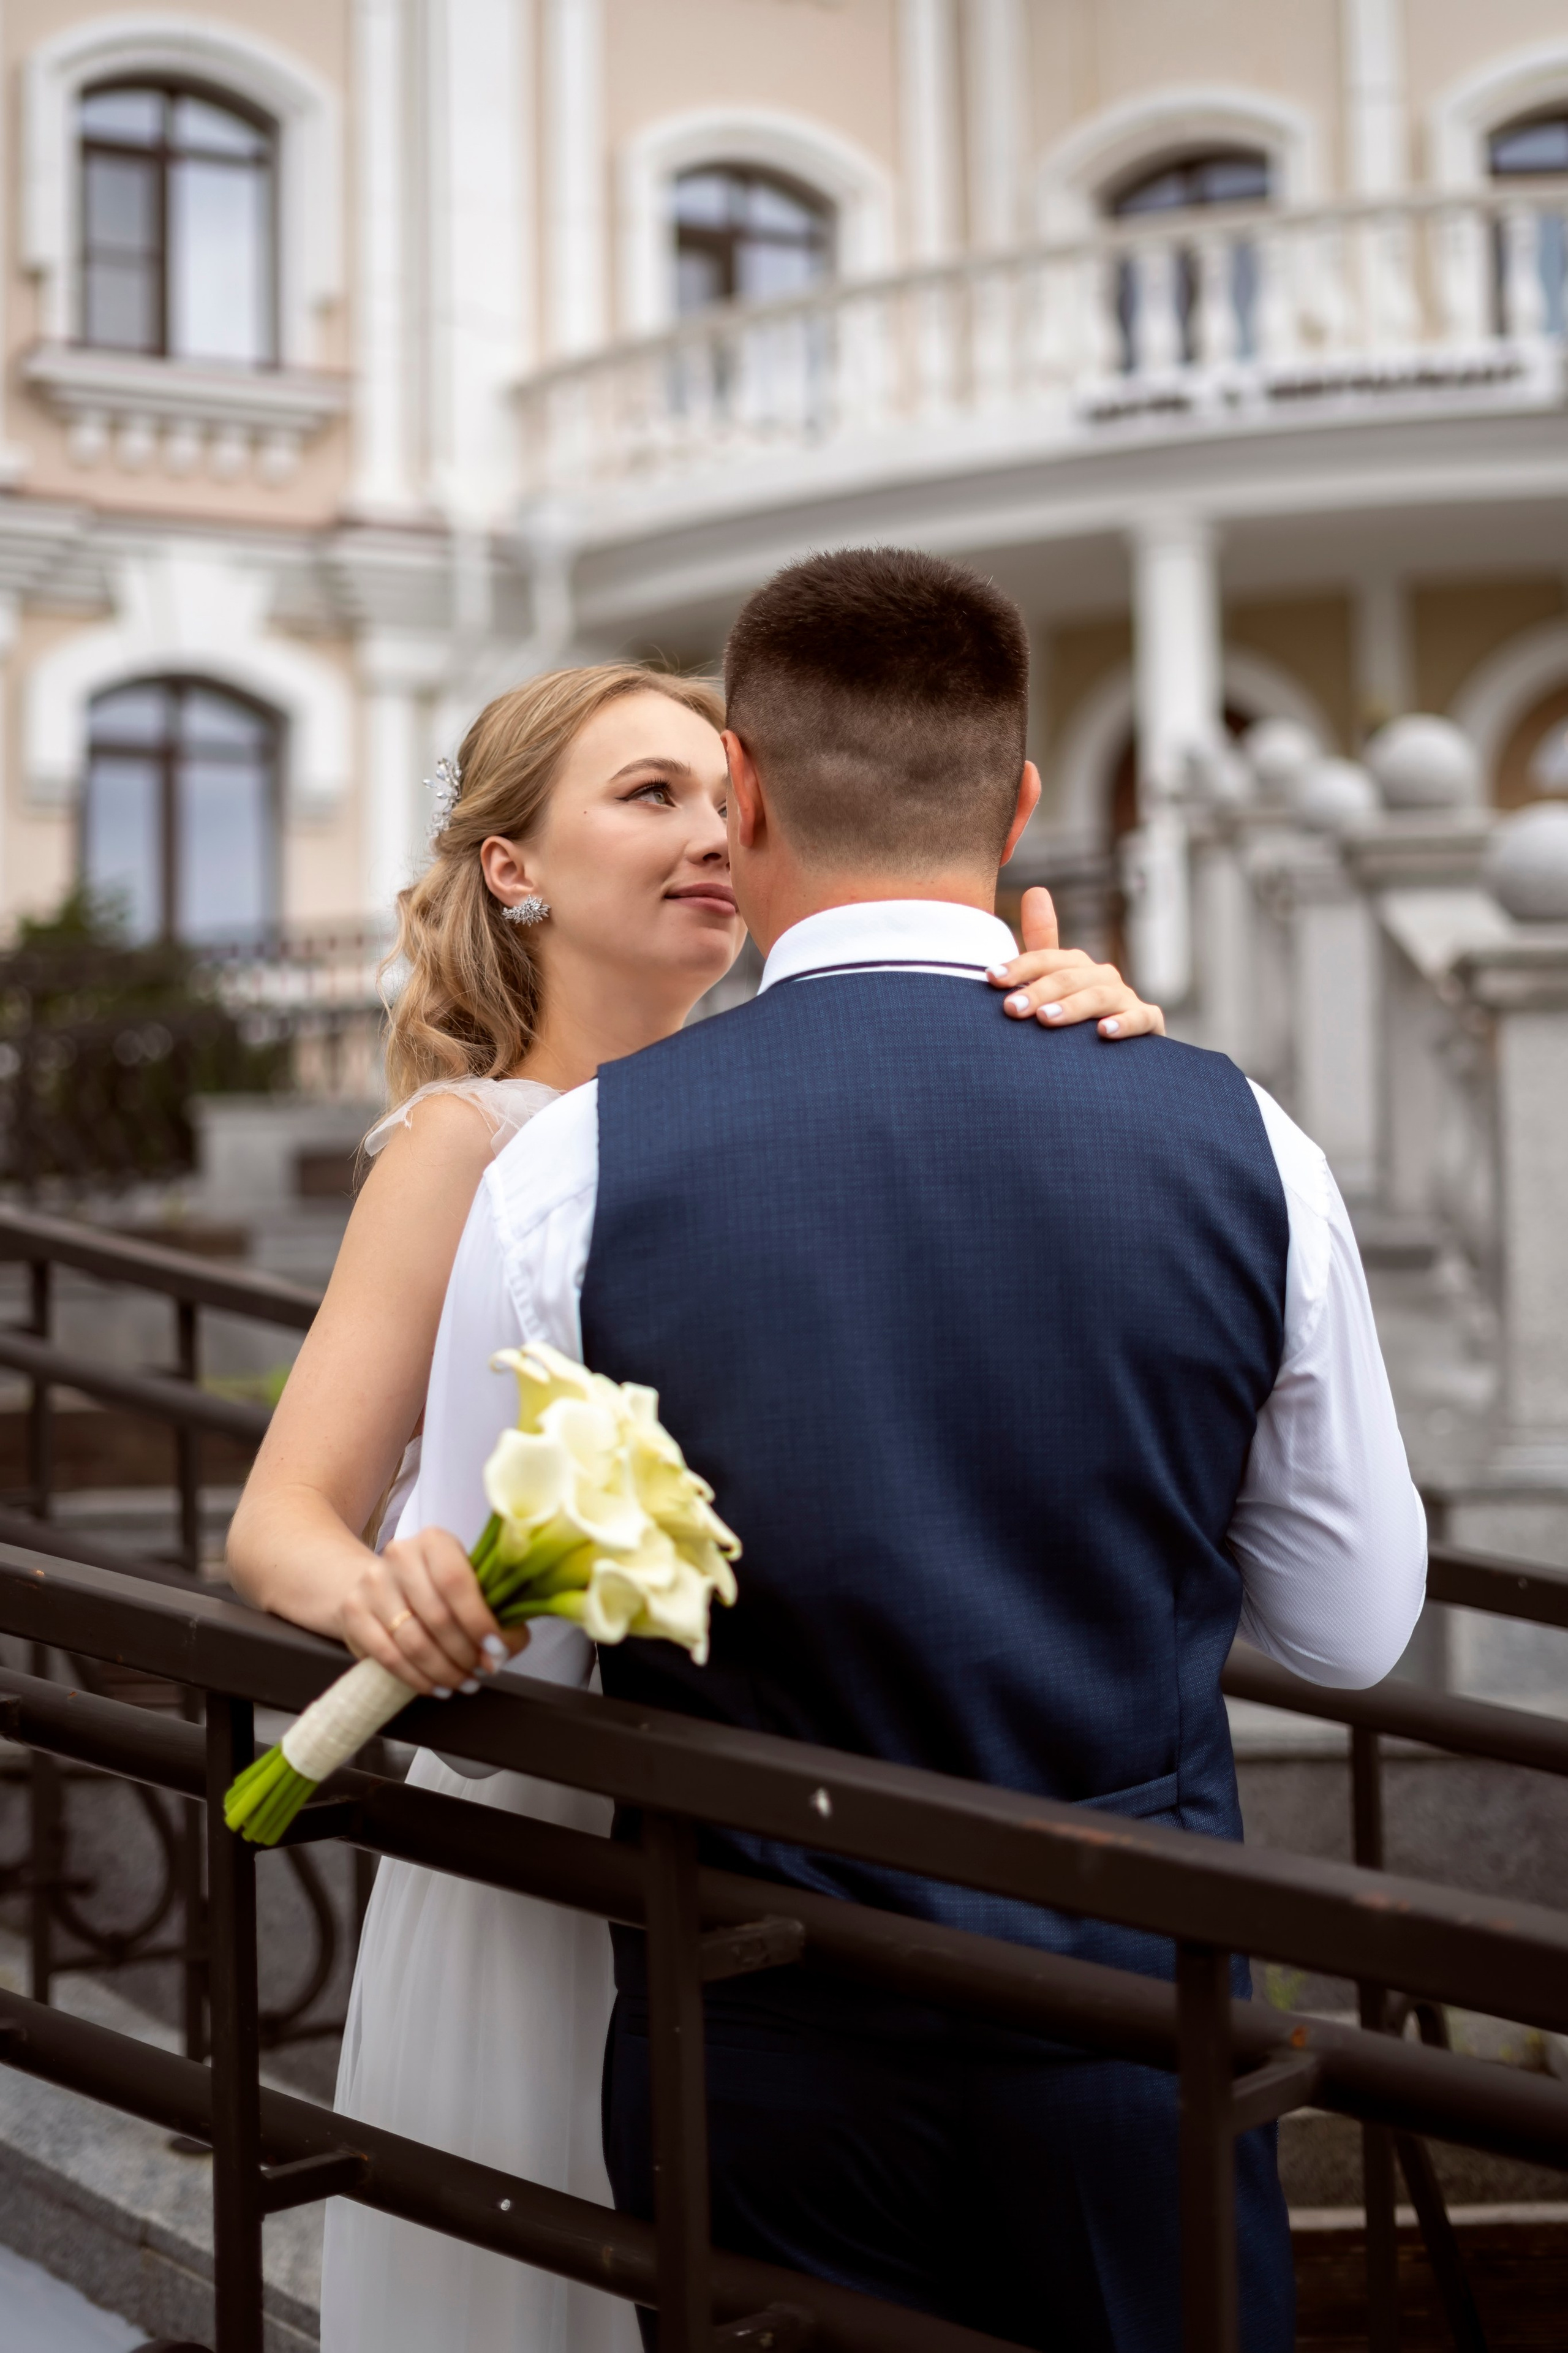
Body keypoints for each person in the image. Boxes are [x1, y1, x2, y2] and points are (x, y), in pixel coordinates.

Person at [414, 551, 1428, 2352]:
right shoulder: (1240, 1136)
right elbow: (1352, 1626)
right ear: (1023, 799)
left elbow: (514, 1641)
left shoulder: (570, 1169)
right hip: (1133, 2010)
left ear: (742, 789)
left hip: (763, 2026)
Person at [225, 657, 1163, 2353]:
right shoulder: (464, 1145)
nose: (710, 832)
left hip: (771, 1840)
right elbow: (284, 1514)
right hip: (538, 1844)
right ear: (512, 867)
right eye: (643, 794)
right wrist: (392, 1595)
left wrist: (1056, 1031)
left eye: (719, 794)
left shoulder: (777, 1116)